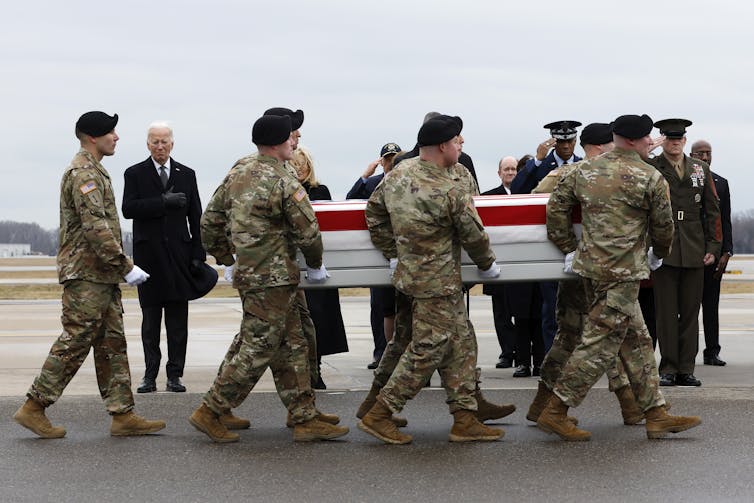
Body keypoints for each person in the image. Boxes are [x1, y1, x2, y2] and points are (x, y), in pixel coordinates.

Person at [538, 113, 702, 441]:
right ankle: (555, 410)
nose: (649, 142)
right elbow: (663, 225)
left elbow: (555, 207)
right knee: (599, 346)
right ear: (630, 140)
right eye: (645, 138)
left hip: (590, 269)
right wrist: (658, 253)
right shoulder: (649, 176)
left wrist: (569, 246)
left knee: (638, 340)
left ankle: (655, 413)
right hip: (623, 272)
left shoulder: (584, 170)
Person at [189, 114, 348, 443]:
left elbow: (209, 222)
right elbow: (308, 230)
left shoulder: (239, 173)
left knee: (295, 342)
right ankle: (211, 409)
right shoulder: (282, 179)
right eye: (291, 137)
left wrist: (227, 258)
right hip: (273, 279)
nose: (295, 141)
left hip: (253, 276)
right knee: (257, 348)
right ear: (278, 142)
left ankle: (303, 415)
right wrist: (316, 265)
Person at [13, 111, 165, 438]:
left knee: (112, 343)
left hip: (100, 275)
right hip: (85, 274)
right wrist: (127, 266)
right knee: (76, 339)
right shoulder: (84, 173)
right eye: (112, 132)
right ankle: (34, 406)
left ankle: (122, 414)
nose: (117, 137)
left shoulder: (96, 170)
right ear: (93, 138)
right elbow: (95, 227)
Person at [358, 115, 505, 444]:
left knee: (461, 341)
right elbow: (473, 232)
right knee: (427, 348)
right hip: (438, 280)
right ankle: (380, 412)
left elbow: (374, 212)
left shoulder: (399, 173)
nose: (459, 146)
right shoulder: (447, 186)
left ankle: (465, 415)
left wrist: (392, 251)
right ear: (443, 146)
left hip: (409, 276)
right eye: (456, 142)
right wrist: (487, 264)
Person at [526, 122, 644, 426]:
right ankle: (629, 404)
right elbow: (540, 203)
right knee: (609, 336)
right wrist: (568, 245)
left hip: (577, 267)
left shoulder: (567, 174)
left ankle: (542, 403)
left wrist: (567, 249)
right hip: (601, 269)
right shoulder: (585, 173)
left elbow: (537, 202)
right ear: (603, 146)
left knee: (571, 337)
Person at [122, 122, 216, 394]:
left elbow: (196, 215)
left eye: (164, 141)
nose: (159, 146)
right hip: (148, 258)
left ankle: (175, 374)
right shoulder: (135, 173)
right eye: (154, 142)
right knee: (150, 322)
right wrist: (162, 202)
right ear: (147, 144)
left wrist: (198, 253)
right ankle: (149, 375)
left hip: (179, 257)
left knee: (177, 322)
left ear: (172, 143)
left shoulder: (186, 174)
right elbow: (129, 208)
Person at [650, 119, 722, 387]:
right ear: (662, 139)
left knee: (691, 313)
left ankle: (686, 368)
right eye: (670, 138)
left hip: (694, 247)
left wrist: (714, 247)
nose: (675, 142)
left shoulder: (699, 169)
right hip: (664, 248)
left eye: (679, 138)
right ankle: (667, 367)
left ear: (684, 140)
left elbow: (713, 209)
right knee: (666, 312)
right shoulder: (652, 167)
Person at [512, 121, 583, 356]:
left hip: (579, 242)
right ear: (554, 142)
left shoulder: (584, 165)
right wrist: (537, 162)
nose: (566, 146)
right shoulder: (542, 166)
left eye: (570, 141)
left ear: (575, 141)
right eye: (561, 142)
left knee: (578, 307)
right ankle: (551, 358)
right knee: (551, 308)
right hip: (549, 242)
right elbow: (518, 190)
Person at [289, 145, 349, 389]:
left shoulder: (319, 190)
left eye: (302, 165)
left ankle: (317, 370)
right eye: (295, 165)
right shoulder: (286, 189)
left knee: (319, 319)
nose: (299, 169)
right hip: (295, 260)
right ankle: (301, 373)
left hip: (317, 261)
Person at [346, 142, 402, 370]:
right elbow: (350, 199)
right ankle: (381, 353)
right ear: (382, 161)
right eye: (387, 159)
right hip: (378, 254)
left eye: (394, 158)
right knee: (380, 306)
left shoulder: (407, 180)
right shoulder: (371, 184)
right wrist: (364, 175)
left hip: (403, 251)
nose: (391, 162)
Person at [691, 140, 733, 366]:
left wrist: (727, 251)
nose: (705, 157)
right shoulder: (684, 181)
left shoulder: (721, 183)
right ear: (691, 155)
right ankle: (687, 352)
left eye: (708, 153)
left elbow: (724, 220)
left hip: (714, 254)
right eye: (700, 153)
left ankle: (712, 351)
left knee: (711, 305)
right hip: (689, 253)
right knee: (687, 308)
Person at [481, 156, 517, 368]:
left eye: (513, 169)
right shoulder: (488, 198)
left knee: (521, 313)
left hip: (518, 265)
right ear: (499, 173)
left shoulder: (525, 193)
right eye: (507, 169)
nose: (510, 173)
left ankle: (522, 351)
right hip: (497, 265)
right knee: (501, 313)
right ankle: (507, 351)